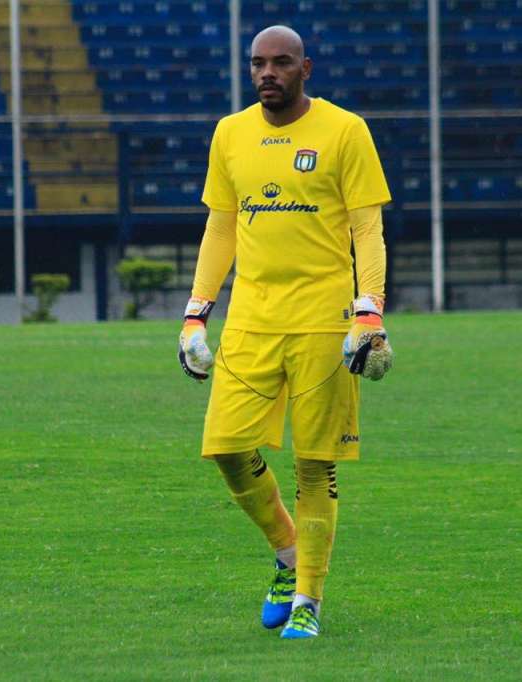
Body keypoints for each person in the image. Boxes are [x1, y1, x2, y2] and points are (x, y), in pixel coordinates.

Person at [177, 25, 393, 639]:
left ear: (306, 68)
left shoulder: (345, 130)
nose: (267, 73)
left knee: (314, 465)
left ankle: (308, 600)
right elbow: (221, 226)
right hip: (251, 319)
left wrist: (369, 311)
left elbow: (366, 228)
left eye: (281, 63)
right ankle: (287, 552)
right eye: (258, 64)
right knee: (224, 447)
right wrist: (196, 312)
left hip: (324, 322)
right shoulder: (230, 133)